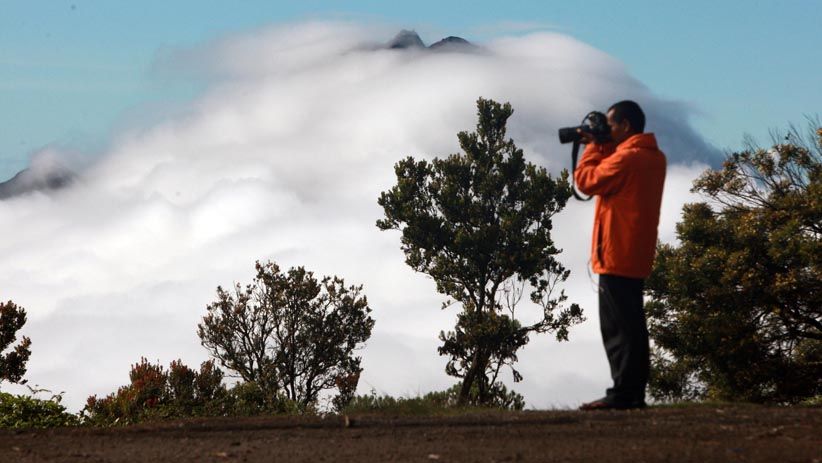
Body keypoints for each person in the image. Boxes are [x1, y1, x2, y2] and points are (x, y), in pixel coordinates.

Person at [573, 100, 666, 410]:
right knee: (633, 325)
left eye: (611, 125)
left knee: (618, 328)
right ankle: (632, 392)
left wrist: (594, 147)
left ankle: (623, 394)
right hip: (635, 252)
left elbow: (587, 181)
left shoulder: (627, 159)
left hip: (616, 253)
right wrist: (605, 144)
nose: (608, 130)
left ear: (625, 126)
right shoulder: (652, 157)